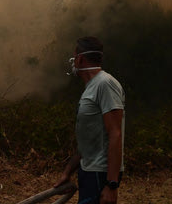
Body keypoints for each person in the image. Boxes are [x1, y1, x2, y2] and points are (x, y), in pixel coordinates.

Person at [53, 36, 126, 204]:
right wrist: (68, 172)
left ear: (80, 59)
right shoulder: (90, 89)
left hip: (100, 174)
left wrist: (112, 185)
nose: (72, 62)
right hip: (88, 170)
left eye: (74, 57)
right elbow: (88, 139)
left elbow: (115, 133)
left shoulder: (105, 84)